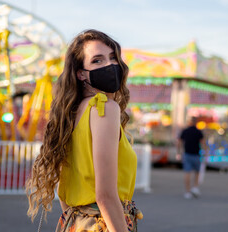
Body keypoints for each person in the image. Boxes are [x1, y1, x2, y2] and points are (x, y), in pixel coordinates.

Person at [26, 29, 142, 232]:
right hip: (105, 224)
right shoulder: (104, 107)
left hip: (75, 223)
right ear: (81, 73)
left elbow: (64, 194)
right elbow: (105, 195)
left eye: (113, 58)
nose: (110, 65)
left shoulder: (70, 115)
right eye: (97, 60)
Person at [178, 117, 207, 199]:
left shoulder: (185, 131)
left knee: (187, 173)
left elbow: (179, 142)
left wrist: (178, 152)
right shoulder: (198, 132)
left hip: (187, 154)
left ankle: (187, 192)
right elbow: (203, 143)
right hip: (196, 154)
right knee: (197, 172)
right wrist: (206, 153)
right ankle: (195, 187)